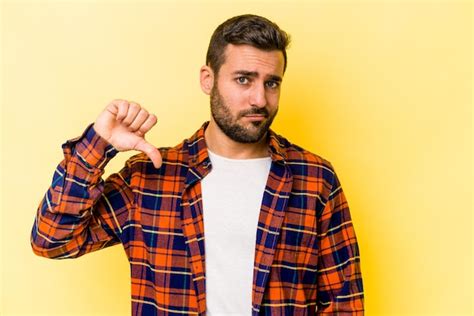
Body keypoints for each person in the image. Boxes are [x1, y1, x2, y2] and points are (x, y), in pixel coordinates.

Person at [30, 14, 364, 316]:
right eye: (244, 80)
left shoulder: (314, 179)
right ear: (208, 79)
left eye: (271, 82)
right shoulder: (148, 178)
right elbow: (52, 240)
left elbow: (344, 303)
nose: (260, 99)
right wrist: (97, 145)